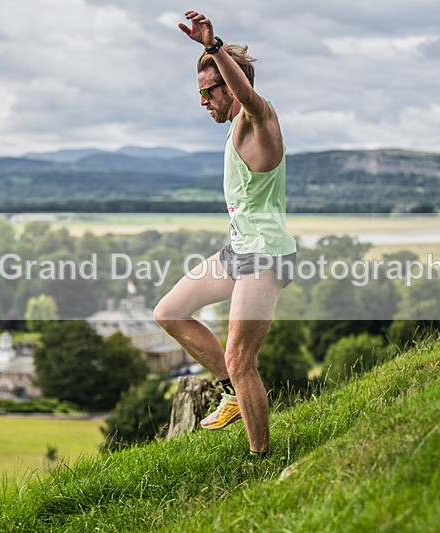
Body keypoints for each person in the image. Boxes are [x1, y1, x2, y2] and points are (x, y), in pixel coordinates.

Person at [154, 10, 297, 459]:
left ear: (229, 86)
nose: (202, 101)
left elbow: (247, 95)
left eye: (206, 91)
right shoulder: (235, 129)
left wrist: (214, 47)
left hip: (266, 257)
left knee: (242, 360)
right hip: (240, 251)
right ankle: (229, 390)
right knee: (170, 312)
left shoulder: (259, 119)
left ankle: (262, 459)